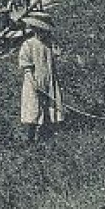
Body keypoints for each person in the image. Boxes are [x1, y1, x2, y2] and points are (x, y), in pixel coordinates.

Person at [17, 10, 63, 143]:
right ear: (34, 30)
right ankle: (30, 137)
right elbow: (26, 67)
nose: (43, 34)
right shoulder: (28, 45)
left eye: (45, 31)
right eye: (40, 30)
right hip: (34, 81)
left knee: (50, 106)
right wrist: (33, 82)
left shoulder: (49, 44)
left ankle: (48, 133)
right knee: (33, 107)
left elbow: (55, 57)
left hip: (49, 79)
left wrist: (56, 51)